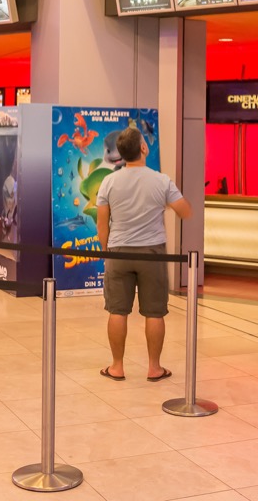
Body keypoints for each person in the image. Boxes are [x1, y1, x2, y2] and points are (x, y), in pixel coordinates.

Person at [96, 127, 191, 382]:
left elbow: (102, 224)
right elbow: (185, 211)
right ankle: (154, 368)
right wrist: (163, 204)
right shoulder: (161, 180)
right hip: (153, 253)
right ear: (143, 148)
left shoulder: (109, 182)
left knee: (117, 310)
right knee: (154, 312)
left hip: (119, 252)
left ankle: (117, 367)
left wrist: (107, 251)